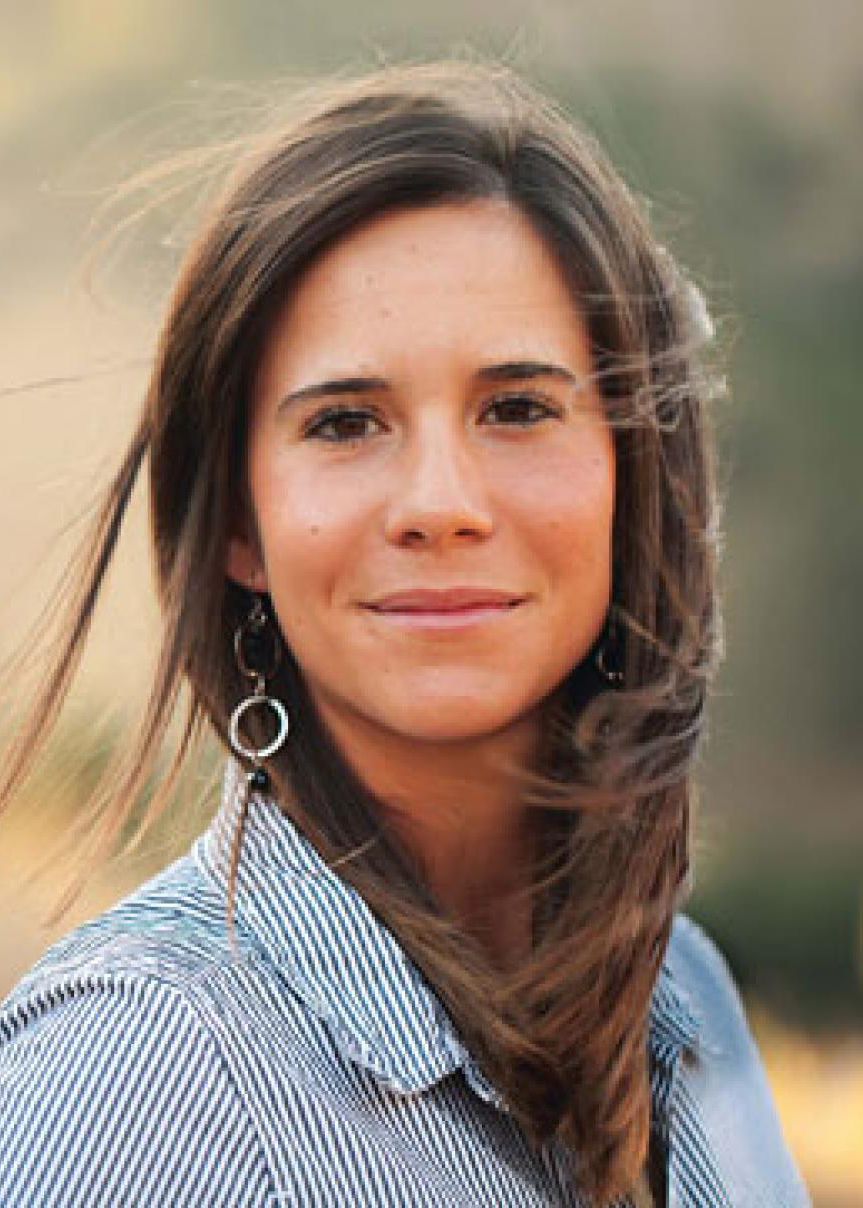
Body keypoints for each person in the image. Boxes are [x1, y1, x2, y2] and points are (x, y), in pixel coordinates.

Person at [0, 59, 810, 1207]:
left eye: (517, 408)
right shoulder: (134, 1075)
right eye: (345, 422)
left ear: (633, 476)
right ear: (237, 523)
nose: (439, 502)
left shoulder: (689, 1002)